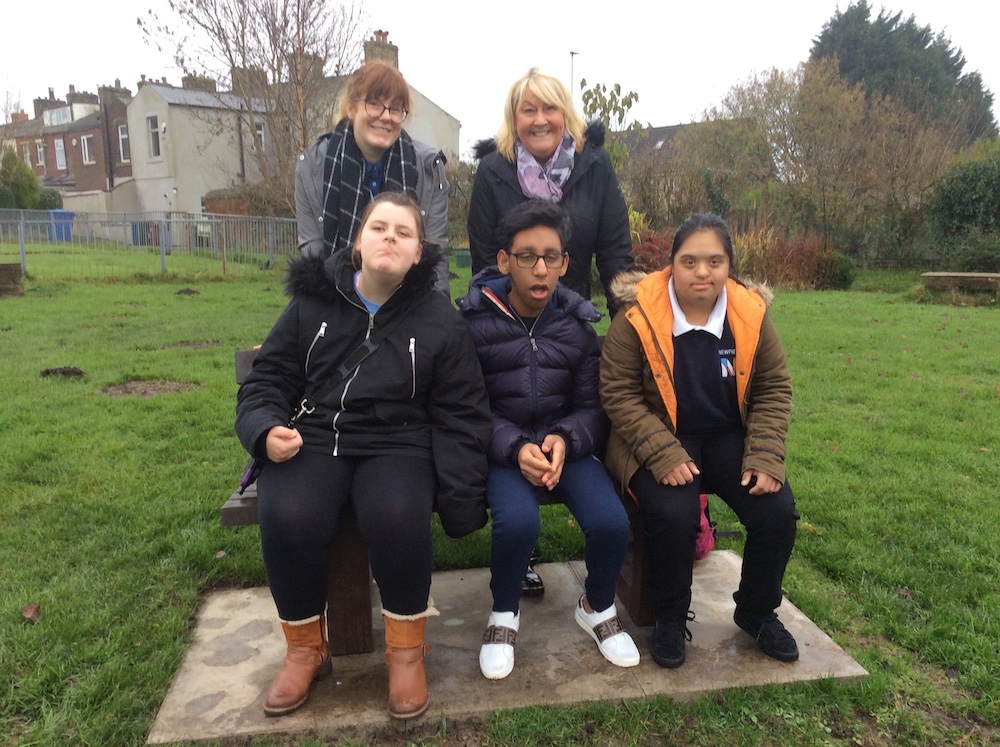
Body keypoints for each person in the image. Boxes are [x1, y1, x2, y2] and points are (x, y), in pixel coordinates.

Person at [236, 192, 491, 719]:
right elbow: (269, 378)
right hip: (316, 437)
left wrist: (463, 499)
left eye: (404, 231)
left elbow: (462, 412)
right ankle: (306, 649)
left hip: (396, 443)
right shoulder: (314, 301)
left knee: (397, 515)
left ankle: (405, 653)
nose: (390, 237)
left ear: (419, 252)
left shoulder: (439, 319)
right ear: (358, 242)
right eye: (379, 227)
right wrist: (263, 431)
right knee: (288, 512)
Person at [599, 213, 800, 669]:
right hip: (655, 435)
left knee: (777, 512)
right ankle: (669, 616)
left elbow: (772, 387)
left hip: (727, 435)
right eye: (690, 261)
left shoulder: (749, 316)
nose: (702, 272)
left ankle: (757, 610)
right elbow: (618, 392)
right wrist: (662, 451)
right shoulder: (639, 315)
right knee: (674, 512)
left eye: (715, 261)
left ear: (730, 265)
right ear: (672, 265)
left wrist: (767, 455)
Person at [468, 67, 635, 595]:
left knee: (571, 410)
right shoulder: (493, 172)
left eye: (550, 108)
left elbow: (615, 252)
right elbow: (482, 260)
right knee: (517, 407)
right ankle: (524, 554)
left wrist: (631, 328)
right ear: (513, 119)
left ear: (567, 115)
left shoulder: (594, 167)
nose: (539, 119)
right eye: (528, 109)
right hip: (508, 320)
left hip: (570, 319)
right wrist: (499, 321)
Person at [458, 200, 640, 679]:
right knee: (518, 523)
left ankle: (596, 606)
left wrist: (564, 440)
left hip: (565, 451)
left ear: (564, 263)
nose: (540, 269)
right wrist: (516, 447)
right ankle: (504, 612)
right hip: (503, 452)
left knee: (611, 522)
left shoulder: (576, 329)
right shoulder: (474, 325)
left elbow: (592, 409)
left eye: (552, 257)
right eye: (526, 256)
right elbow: (470, 409)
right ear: (503, 261)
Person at [295, 60, 450, 294]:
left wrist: (438, 324)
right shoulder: (313, 166)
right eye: (374, 103)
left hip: (408, 302)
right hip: (335, 297)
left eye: (395, 108)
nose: (385, 116)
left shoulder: (429, 168)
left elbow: (435, 257)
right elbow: (313, 252)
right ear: (351, 108)